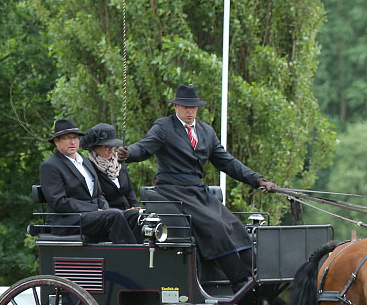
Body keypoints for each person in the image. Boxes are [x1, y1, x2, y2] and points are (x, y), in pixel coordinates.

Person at [117, 84, 278, 292]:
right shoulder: (164, 127)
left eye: (194, 107)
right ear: (175, 106)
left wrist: (257, 180)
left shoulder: (206, 132)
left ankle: (257, 277)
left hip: (198, 191)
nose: (190, 111)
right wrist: (129, 153)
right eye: (185, 107)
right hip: (173, 191)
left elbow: (227, 162)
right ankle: (239, 281)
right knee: (215, 226)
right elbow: (145, 146)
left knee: (234, 226)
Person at [39, 119, 141, 244]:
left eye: (75, 138)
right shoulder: (51, 166)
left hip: (91, 217)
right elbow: (59, 202)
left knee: (135, 216)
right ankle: (132, 258)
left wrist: (105, 210)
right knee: (114, 216)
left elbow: (99, 195)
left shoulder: (85, 162)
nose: (72, 142)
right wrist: (93, 209)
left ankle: (142, 254)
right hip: (69, 220)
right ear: (56, 141)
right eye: (67, 138)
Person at [81, 123, 140, 211]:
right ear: (94, 148)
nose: (111, 152)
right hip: (109, 215)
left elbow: (129, 191)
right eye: (106, 148)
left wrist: (136, 208)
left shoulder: (119, 163)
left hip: (129, 213)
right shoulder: (89, 168)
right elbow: (98, 199)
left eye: (112, 147)